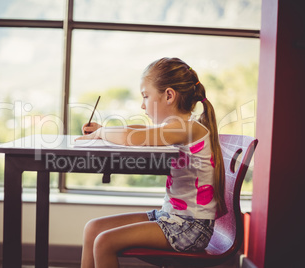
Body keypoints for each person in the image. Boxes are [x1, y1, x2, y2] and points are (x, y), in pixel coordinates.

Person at [76, 57, 226, 268]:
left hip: (190, 227)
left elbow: (133, 137)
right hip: (171, 218)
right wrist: (103, 130)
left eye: (146, 96)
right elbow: (139, 130)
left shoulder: (185, 128)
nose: (142, 104)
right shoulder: (178, 127)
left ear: (169, 95)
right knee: (93, 229)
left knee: (104, 241)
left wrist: (102, 132)